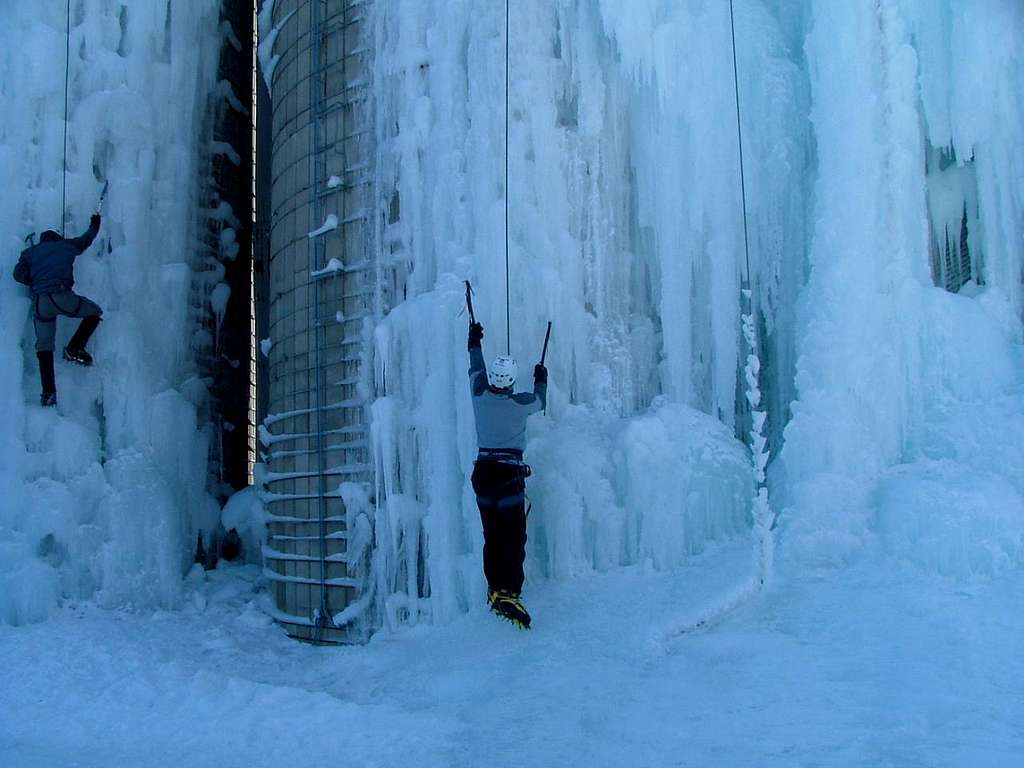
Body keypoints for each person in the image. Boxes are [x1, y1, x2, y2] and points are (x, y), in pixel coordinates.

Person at [467, 320, 547, 629]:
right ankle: (510, 591)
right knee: (513, 536)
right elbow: (540, 400)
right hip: (509, 476)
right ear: (513, 382)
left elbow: (475, 365)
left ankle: (494, 588)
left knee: (492, 535)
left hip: (483, 474)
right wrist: (541, 377)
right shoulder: (520, 403)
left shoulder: (478, 394)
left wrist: (474, 340)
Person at [13, 215, 103, 407]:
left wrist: (34, 281)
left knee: (44, 345)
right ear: (57, 237)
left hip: (41, 302)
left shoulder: (30, 252)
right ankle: (74, 348)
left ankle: (48, 393)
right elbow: (86, 239)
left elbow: (18, 274)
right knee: (94, 312)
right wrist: (95, 224)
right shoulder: (66, 245)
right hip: (62, 296)